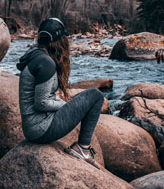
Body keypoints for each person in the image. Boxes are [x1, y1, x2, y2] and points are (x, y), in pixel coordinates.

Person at [16, 18, 104, 167]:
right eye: (64, 37)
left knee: (87, 97)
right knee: (96, 96)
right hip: (41, 129)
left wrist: (68, 106)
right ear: (59, 40)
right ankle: (82, 148)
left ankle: (82, 148)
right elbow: (42, 103)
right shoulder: (46, 63)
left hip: (34, 127)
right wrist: (66, 106)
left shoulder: (37, 56)